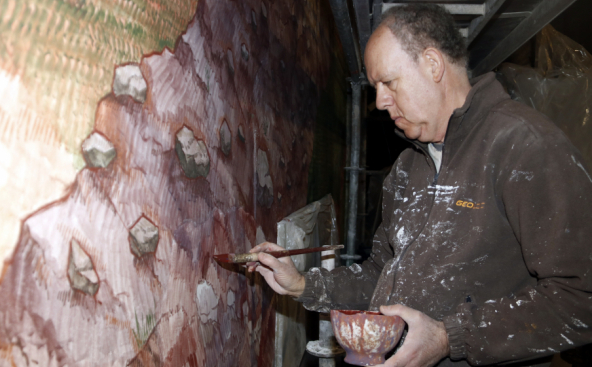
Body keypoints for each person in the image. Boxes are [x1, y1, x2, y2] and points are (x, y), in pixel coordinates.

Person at [248, 4, 592, 367]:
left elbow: (581, 297)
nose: (379, 101)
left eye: (388, 82)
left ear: (432, 64)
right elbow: (381, 273)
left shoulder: (524, 145)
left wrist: (449, 338)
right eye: (376, 87)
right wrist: (302, 285)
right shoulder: (407, 166)